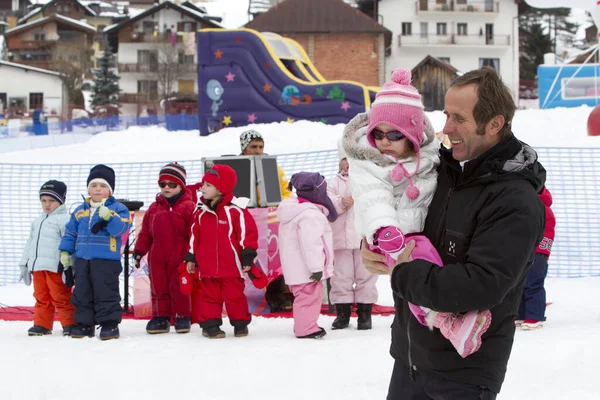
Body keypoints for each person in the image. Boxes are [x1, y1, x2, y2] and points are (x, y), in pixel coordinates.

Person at [359, 67, 546, 398]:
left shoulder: (515, 200)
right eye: (446, 114)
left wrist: (401, 271)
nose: (446, 128)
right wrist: (374, 244)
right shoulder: (440, 172)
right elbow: (396, 209)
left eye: (459, 118)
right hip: (409, 359)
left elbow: (481, 285)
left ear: (494, 124)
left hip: (463, 376)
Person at [185, 164, 259, 339]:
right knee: (209, 297)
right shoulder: (201, 213)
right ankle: (210, 325)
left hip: (231, 267)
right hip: (207, 267)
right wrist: (191, 257)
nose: (202, 188)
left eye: (208, 185)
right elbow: (194, 237)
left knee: (235, 297)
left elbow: (247, 234)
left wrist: (247, 256)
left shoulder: (235, 210)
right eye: (203, 184)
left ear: (221, 189)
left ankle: (240, 324)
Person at [59, 164, 132, 340]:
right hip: (83, 259)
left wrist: (109, 216)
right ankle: (85, 324)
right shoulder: (80, 210)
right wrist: (65, 252)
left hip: (106, 261)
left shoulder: (118, 208)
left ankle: (109, 324)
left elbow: (121, 229)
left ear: (110, 190)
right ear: (88, 188)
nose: (98, 189)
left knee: (106, 291)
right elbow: (70, 232)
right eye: (94, 185)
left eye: (103, 186)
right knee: (83, 291)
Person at [133, 162, 195, 334]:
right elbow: (145, 233)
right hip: (157, 257)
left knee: (180, 287)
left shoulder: (188, 207)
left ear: (181, 186)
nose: (166, 187)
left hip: (180, 256)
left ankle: (183, 316)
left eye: (172, 184)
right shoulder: (154, 208)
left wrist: (192, 255)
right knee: (158, 287)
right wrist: (139, 251)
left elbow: (194, 233)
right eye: (162, 184)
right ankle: (161, 317)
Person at [277, 172, 337, 339]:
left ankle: (303, 325)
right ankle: (306, 328)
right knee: (309, 298)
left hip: (296, 267)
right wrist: (317, 267)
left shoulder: (293, 209)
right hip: (307, 269)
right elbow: (311, 244)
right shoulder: (310, 214)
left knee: (303, 297)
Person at [240, 129, 293, 313]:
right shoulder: (234, 167)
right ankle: (243, 297)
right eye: (253, 146)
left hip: (270, 221)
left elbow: (286, 191)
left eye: (261, 147)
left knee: (274, 257)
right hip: (243, 219)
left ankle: (276, 295)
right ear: (244, 148)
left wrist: (280, 206)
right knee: (246, 256)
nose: (258, 150)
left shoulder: (272, 167)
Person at [326, 144, 378, 330]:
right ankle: (343, 314)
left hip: (364, 238)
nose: (348, 165)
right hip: (341, 240)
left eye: (352, 161)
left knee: (367, 275)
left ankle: (365, 314)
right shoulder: (334, 183)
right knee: (341, 277)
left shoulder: (370, 181)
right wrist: (340, 202)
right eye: (345, 161)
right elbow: (327, 201)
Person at [19, 180, 75, 336]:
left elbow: (69, 243)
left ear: (61, 200)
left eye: (51, 201)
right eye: (43, 200)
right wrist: (24, 263)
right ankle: (42, 324)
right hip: (37, 267)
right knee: (41, 296)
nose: (47, 204)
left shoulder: (65, 220)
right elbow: (30, 243)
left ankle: (69, 323)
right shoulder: (37, 221)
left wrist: (69, 266)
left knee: (61, 296)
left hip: (55, 266)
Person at [517, 185, 556, 330]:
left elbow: (547, 233)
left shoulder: (542, 210)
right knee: (519, 282)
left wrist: (543, 251)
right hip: (524, 251)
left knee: (533, 283)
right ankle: (521, 314)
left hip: (537, 251)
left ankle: (535, 316)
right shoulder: (522, 206)